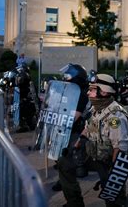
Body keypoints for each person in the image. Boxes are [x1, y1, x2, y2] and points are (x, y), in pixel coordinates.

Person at [59, 73, 128, 206]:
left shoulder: (115, 117)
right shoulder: (96, 108)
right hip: (94, 153)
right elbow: (89, 127)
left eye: (93, 89)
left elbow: (121, 147)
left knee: (117, 204)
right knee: (64, 162)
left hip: (110, 162)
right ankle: (75, 203)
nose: (88, 93)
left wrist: (114, 174)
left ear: (104, 92)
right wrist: (76, 146)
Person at [53, 64, 91, 193]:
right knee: (61, 157)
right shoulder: (70, 92)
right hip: (65, 128)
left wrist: (60, 120)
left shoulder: (81, 95)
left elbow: (74, 117)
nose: (65, 78)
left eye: (68, 76)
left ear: (76, 78)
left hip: (75, 130)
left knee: (67, 159)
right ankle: (64, 180)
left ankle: (68, 187)